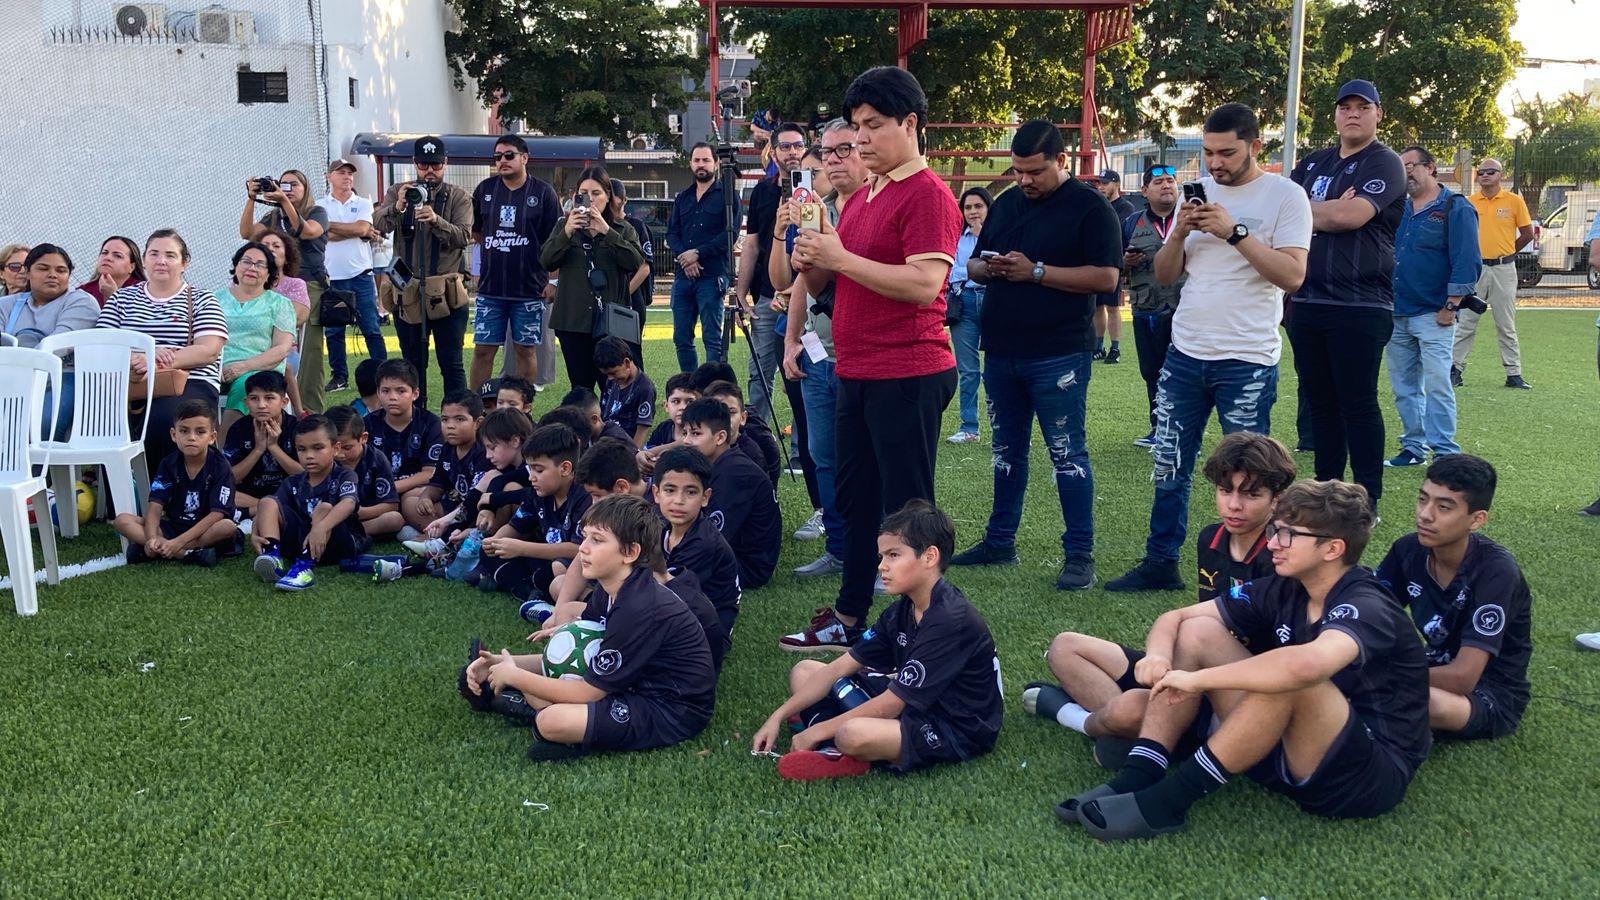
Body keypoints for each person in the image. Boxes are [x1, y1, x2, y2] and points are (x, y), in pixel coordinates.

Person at [1065, 480, 1430, 841]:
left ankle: (1168, 803)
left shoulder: (1367, 604)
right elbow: (1177, 618)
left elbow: (1305, 666)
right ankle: (1141, 772)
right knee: (1197, 631)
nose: (1272, 543)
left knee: (1292, 678)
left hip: (1365, 777)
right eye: (1275, 530)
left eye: (1289, 535)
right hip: (1284, 748)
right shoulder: (1286, 587)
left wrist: (1197, 680)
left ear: (1333, 548)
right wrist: (1158, 656)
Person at [782, 67, 959, 651]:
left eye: (872, 125)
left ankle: (924, 629)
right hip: (856, 370)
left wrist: (838, 257)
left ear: (910, 124)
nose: (860, 138)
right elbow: (832, 282)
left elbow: (923, 284)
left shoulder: (928, 193)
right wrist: (812, 257)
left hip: (907, 371)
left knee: (908, 510)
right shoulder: (865, 195)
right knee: (856, 503)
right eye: (856, 125)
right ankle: (851, 616)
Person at [1106, 103, 1311, 593]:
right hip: (1186, 352)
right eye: (1208, 152)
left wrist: (1234, 233)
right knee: (1169, 463)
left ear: (1254, 147)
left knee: (1250, 473)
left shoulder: (1286, 196)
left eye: (1227, 153)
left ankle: (1255, 572)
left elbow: (1292, 276)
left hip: (1247, 359)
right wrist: (1179, 232)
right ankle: (1160, 562)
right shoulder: (1195, 193)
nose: (1215, 163)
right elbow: (1165, 274)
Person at [1024, 434, 1293, 749]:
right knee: (1065, 648)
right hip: (1189, 673)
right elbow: (1180, 620)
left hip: (1240, 692)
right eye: (1225, 490)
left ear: (1277, 499)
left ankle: (1081, 719)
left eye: (1251, 495)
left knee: (1129, 707)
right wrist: (1157, 658)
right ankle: (1141, 731)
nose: (1233, 505)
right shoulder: (1211, 538)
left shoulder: (1281, 556)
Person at [950, 121, 1121, 591]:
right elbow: (974, 263)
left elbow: (1107, 278)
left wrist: (1037, 272)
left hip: (1059, 352)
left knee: (1067, 453)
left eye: (1035, 171)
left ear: (1061, 161)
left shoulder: (1091, 207)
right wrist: (991, 268)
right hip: (1001, 349)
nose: (1024, 180)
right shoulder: (1006, 203)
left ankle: (1080, 555)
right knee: (1006, 452)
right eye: (1018, 171)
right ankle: (999, 541)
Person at [752, 500, 1002, 781]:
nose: (882, 566)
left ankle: (833, 740)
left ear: (929, 557)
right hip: (914, 702)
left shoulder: (949, 619)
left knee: (852, 733)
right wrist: (776, 716)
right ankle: (832, 749)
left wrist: (816, 731)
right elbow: (841, 666)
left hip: (953, 725)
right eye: (882, 556)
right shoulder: (902, 610)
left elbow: (890, 705)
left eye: (893, 555)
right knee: (805, 670)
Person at [462, 494, 715, 762]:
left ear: (630, 552)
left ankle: (534, 708)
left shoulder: (637, 607)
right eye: (584, 537)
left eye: (597, 540)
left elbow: (590, 691)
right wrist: (497, 663)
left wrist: (516, 676)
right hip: (634, 683)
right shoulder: (610, 588)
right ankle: (525, 698)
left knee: (552, 720)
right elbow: (587, 654)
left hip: (672, 709)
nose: (582, 548)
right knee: (552, 697)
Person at [1287, 80, 1408, 510]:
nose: (1353, 113)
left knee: (1357, 403)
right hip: (1306, 301)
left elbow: (1348, 216)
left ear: (1378, 114)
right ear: (1335, 115)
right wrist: (1327, 208)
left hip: (1360, 304)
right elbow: (1284, 212)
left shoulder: (1385, 162)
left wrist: (1316, 211)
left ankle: (1367, 498)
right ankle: (1326, 493)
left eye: (1363, 106)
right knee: (1319, 402)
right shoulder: (1313, 162)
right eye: (1345, 107)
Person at [1375, 454, 1532, 740]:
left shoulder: (1496, 571)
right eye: (1423, 499)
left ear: (1477, 520)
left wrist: (1378, 677)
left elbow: (1463, 677)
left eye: (1444, 507)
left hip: (1489, 692)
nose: (1425, 514)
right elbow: (1369, 615)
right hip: (1432, 667)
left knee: (1418, 701)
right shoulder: (1407, 550)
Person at [775, 119, 870, 578]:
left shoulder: (875, 207)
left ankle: (877, 551)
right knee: (824, 456)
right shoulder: (818, 210)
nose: (833, 161)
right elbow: (796, 281)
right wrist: (791, 340)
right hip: (818, 356)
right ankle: (838, 547)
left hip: (863, 356)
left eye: (844, 149)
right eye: (826, 153)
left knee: (866, 460)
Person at [95, 229, 229, 466]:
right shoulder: (120, 299)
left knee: (165, 419)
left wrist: (154, 360)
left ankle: (163, 487)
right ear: (144, 260)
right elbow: (100, 346)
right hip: (132, 382)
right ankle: (116, 489)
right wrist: (137, 358)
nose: (161, 261)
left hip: (189, 381)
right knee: (102, 417)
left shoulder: (203, 299)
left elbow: (208, 350)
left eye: (170, 255)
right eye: (154, 254)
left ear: (184, 263)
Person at [1384, 147, 1482, 468]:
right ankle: (1413, 447)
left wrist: (1451, 306)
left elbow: (1467, 260)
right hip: (1397, 311)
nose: (1405, 173)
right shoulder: (1399, 208)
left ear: (1430, 168)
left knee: (1438, 384)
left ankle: (1444, 452)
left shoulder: (1456, 207)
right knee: (1404, 388)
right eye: (1400, 168)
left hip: (1435, 313)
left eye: (1410, 166)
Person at [372, 136, 474, 405]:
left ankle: (456, 417)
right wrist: (397, 207)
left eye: (436, 165)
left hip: (446, 294)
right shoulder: (399, 192)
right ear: (414, 163)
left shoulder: (458, 196)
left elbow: (464, 237)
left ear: (445, 163)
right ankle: (416, 417)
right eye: (424, 164)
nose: (430, 170)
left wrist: (436, 220)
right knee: (412, 365)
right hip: (408, 292)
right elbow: (378, 225)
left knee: (451, 363)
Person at [541, 167, 646, 394]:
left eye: (596, 193)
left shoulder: (623, 229)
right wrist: (567, 232)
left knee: (614, 387)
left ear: (608, 196)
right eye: (583, 193)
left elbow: (635, 262)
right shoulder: (563, 226)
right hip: (573, 321)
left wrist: (607, 231)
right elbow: (547, 260)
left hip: (611, 323)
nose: (590, 199)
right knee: (581, 389)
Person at [470, 134, 562, 390]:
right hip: (491, 290)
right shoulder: (484, 190)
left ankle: (521, 404)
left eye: (509, 155)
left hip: (530, 290)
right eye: (497, 156)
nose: (502, 160)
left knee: (525, 350)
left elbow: (556, 241)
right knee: (483, 350)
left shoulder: (543, 193)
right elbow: (476, 231)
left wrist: (553, 281)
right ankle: (477, 404)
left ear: (525, 158)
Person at [736, 121, 809, 422]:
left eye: (798, 146)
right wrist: (741, 292)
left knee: (804, 371)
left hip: (810, 295)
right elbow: (752, 244)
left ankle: (803, 443)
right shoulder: (762, 192)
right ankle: (759, 437)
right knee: (759, 373)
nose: (793, 152)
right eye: (785, 146)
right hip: (769, 296)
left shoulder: (817, 189)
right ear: (774, 152)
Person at [242, 168, 330, 412]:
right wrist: (251, 198)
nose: (287, 190)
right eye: (283, 185)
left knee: (309, 349)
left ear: (305, 188)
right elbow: (247, 233)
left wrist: (283, 200)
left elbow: (306, 231)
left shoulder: (317, 212)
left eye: (293, 185)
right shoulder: (273, 216)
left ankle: (310, 409)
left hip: (308, 283)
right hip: (272, 284)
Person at [113, 398, 237, 568]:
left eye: (200, 432)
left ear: (212, 437)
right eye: (184, 431)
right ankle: (186, 554)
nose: (191, 437)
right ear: (174, 435)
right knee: (122, 521)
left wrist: (178, 542)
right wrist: (151, 538)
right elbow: (155, 506)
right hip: (174, 527)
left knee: (227, 527)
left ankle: (173, 550)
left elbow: (217, 515)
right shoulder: (168, 463)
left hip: (205, 530)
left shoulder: (220, 466)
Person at [250, 414, 365, 592]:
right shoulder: (293, 482)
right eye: (302, 449)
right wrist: (254, 532)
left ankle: (304, 569)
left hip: (338, 543)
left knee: (324, 508)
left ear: (335, 449)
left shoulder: (345, 475)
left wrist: (321, 528)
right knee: (267, 501)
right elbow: (268, 510)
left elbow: (348, 504)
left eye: (318, 448)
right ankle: (273, 556)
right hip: (300, 541)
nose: (309, 456)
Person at [479, 423, 591, 601]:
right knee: (488, 552)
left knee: (558, 567)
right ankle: (527, 589)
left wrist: (522, 548)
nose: (531, 477)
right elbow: (515, 526)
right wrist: (495, 543)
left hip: (570, 563)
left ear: (565, 468)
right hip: (543, 558)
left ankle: (520, 585)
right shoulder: (539, 493)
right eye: (530, 468)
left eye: (539, 470)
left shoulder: (584, 496)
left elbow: (578, 548)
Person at [679, 398, 781, 591]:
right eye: (685, 433)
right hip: (732, 555)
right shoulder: (721, 462)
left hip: (745, 567)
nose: (686, 441)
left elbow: (712, 540)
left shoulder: (734, 473)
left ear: (720, 437)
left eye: (696, 433)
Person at [2, 244, 100, 440]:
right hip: (9, 380)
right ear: (27, 272)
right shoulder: (7, 305)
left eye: (61, 270)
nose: (53, 275)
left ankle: (38, 462)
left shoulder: (81, 302)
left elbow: (54, 345)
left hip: (62, 378)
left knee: (40, 424)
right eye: (43, 268)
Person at [1453, 157, 1536, 390]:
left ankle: (1513, 373)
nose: (1485, 175)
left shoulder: (1514, 201)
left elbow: (1527, 233)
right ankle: (1455, 370)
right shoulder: (1468, 202)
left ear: (1501, 175)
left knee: (1506, 323)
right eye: (1481, 172)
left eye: (1491, 171)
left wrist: (1507, 252)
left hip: (1503, 269)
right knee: (1466, 322)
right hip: (1475, 269)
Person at [654, 446, 742, 639]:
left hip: (707, 632)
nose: (679, 500)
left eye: (691, 492)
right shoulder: (663, 528)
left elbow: (666, 591)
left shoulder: (704, 542)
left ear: (705, 497)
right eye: (670, 490)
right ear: (656, 493)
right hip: (678, 614)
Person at [1124, 164, 1183, 448]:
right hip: (1146, 308)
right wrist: (1125, 261)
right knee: (1152, 371)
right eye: (1158, 182)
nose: (1166, 185)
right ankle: (1158, 428)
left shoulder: (1190, 218)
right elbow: (1111, 263)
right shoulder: (1131, 223)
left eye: (1171, 180)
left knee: (1185, 372)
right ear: (1144, 191)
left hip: (1186, 309)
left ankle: (1183, 431)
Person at [318, 157, 388, 393]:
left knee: (371, 327)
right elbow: (324, 234)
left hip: (361, 275)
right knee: (334, 331)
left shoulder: (363, 203)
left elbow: (361, 228)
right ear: (329, 177)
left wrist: (330, 225)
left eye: (349, 173)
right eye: (341, 172)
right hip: (333, 276)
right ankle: (339, 376)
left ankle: (383, 374)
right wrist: (355, 230)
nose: (347, 177)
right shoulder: (320, 206)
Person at [216, 242, 296, 427]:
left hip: (260, 369)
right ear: (236, 266)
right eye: (246, 261)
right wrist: (216, 369)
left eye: (260, 265)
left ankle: (226, 444)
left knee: (245, 386)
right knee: (195, 386)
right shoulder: (214, 299)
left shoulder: (279, 303)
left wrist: (243, 367)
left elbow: (282, 348)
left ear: (269, 273)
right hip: (216, 369)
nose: (252, 268)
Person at [666, 141, 729, 371]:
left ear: (716, 163)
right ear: (691, 164)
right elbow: (672, 233)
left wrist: (698, 254)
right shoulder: (683, 197)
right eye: (696, 160)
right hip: (683, 278)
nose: (701, 164)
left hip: (711, 277)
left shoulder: (727, 196)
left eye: (706, 160)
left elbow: (728, 235)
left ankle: (710, 386)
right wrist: (686, 257)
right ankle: (689, 385)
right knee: (681, 338)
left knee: (712, 339)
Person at [364, 360, 444, 532]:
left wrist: (392, 488)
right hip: (378, 493)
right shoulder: (368, 424)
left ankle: (430, 530)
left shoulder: (430, 424)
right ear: (378, 392)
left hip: (414, 490)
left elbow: (429, 473)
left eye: (401, 391)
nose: (393, 397)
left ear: (415, 394)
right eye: (386, 391)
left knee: (413, 500)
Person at [945, 187, 992, 444]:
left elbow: (999, 268)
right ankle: (969, 427)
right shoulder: (956, 237)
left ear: (989, 208)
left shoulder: (999, 234)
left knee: (999, 367)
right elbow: (949, 270)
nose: (973, 212)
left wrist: (968, 269)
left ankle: (1006, 426)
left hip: (994, 301)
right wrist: (974, 270)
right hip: (963, 302)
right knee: (968, 369)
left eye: (978, 206)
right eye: (968, 207)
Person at [223, 370, 301, 519]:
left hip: (288, 492)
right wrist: (258, 449)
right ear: (246, 402)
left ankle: (256, 512)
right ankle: (269, 509)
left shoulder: (297, 428)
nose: (261, 405)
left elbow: (307, 475)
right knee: (220, 491)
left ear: (284, 402)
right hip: (249, 495)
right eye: (254, 398)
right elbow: (228, 478)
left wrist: (273, 447)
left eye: (269, 398)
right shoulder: (238, 429)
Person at [326, 405, 403, 541]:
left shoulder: (376, 459)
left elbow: (392, 504)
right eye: (334, 447)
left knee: (394, 519)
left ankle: (350, 534)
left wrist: (360, 513)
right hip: (331, 518)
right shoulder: (325, 460)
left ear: (363, 438)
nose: (339, 454)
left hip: (365, 517)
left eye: (347, 447)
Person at [255, 230, 310, 414]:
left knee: (283, 365)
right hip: (247, 348)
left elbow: (294, 318)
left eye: (276, 246)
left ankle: (298, 413)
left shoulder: (296, 285)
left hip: (285, 350)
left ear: (286, 258)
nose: (270, 249)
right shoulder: (241, 285)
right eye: (265, 245)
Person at [1091, 169, 1135, 363]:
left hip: (1114, 262)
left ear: (1116, 184)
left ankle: (1115, 348)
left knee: (1113, 306)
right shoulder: (1098, 204)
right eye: (1099, 183)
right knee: (1097, 306)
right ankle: (1098, 346)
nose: (1101, 187)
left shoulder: (1125, 207)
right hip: (1096, 262)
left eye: (1105, 183)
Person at [611, 178, 654, 336]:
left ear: (624, 200)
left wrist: (623, 294)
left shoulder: (636, 226)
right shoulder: (599, 226)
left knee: (631, 345)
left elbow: (645, 268)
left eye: (613, 197)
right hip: (606, 294)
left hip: (632, 296)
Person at [595, 336, 655, 447]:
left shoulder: (644, 388)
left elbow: (642, 428)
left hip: (623, 446)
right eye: (607, 374)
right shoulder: (613, 380)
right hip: (603, 440)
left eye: (613, 373)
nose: (610, 378)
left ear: (627, 363)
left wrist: (633, 453)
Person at [76, 236, 144, 306]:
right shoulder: (83, 292)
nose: (107, 258)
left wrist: (112, 296)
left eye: (118, 256)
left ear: (132, 267)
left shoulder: (144, 292)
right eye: (104, 253)